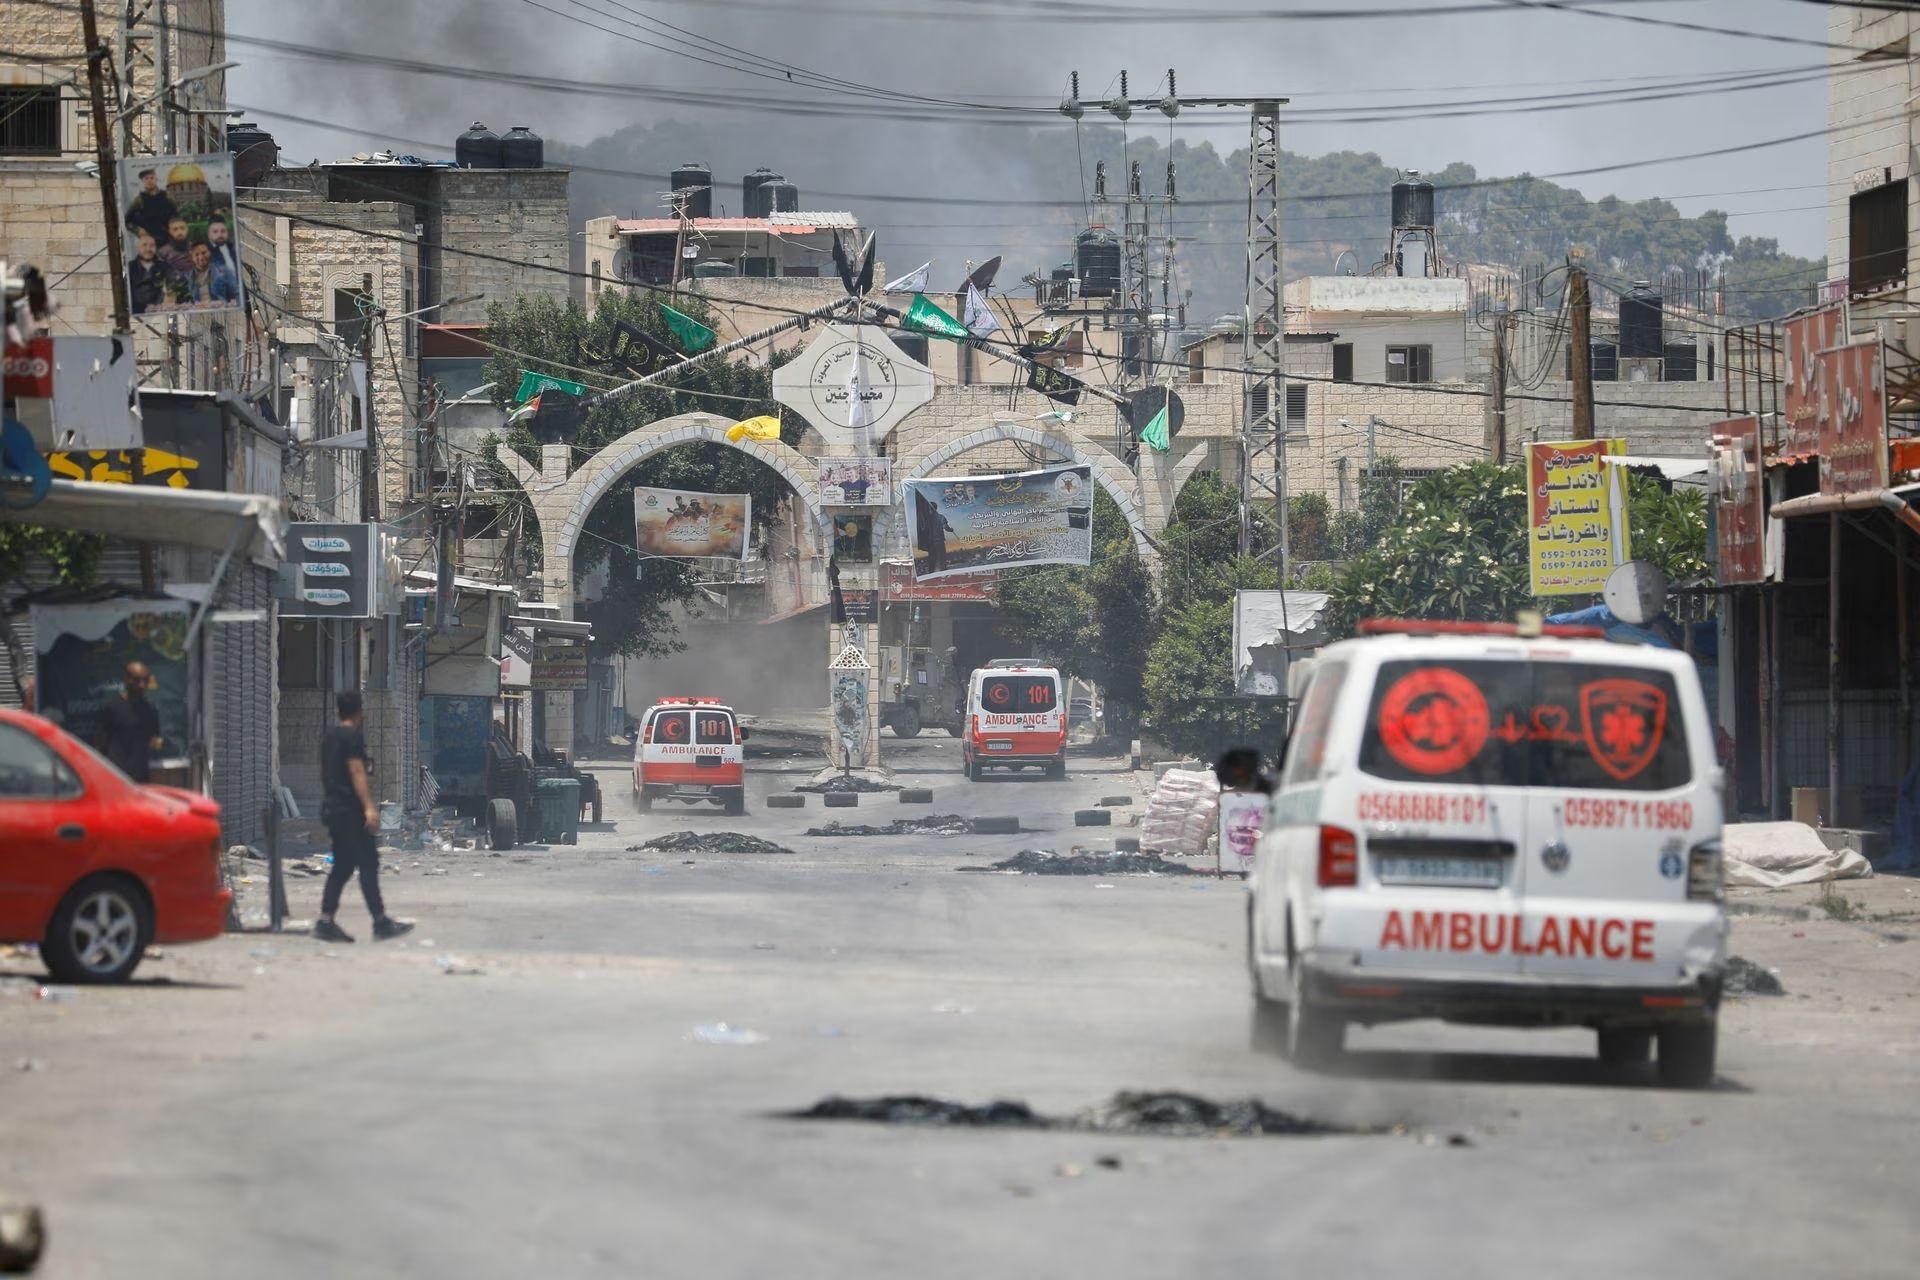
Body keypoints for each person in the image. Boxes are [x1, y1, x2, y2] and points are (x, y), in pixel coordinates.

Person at [313, 690, 413, 944]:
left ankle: (326, 920)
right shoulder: (353, 737)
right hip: (350, 811)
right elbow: (357, 771)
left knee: (344, 865)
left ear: (338, 711)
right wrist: (369, 807)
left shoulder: (329, 738)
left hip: (333, 809)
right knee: (368, 862)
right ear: (360, 712)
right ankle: (380, 922)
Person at [96, 661, 162, 784]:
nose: (141, 685)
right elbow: (101, 741)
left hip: (141, 778)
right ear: (127, 679)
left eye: (145, 680)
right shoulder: (112, 707)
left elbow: (155, 740)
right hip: (115, 776)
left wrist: (158, 743)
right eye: (137, 680)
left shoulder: (151, 710)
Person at [127, 229, 176, 315]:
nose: (148, 249)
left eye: (152, 245)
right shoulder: (129, 268)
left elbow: (173, 289)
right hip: (135, 314)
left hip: (161, 313)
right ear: (137, 248)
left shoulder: (165, 267)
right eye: (144, 245)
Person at [124, 168, 177, 244]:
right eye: (146, 178)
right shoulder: (139, 200)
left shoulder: (167, 196)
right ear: (143, 181)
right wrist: (138, 230)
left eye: (152, 178)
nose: (149, 181)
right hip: (149, 242)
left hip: (168, 240)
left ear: (156, 180)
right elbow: (127, 221)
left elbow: (177, 215)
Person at [184, 242, 238, 306]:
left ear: (210, 253)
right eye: (196, 255)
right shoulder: (187, 277)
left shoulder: (224, 272)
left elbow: (236, 294)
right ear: (192, 258)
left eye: (204, 253)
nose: (201, 257)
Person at [204, 212, 238, 279]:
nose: (220, 235)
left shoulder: (233, 248)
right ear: (208, 234)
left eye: (223, 231)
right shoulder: (205, 253)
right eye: (215, 232)